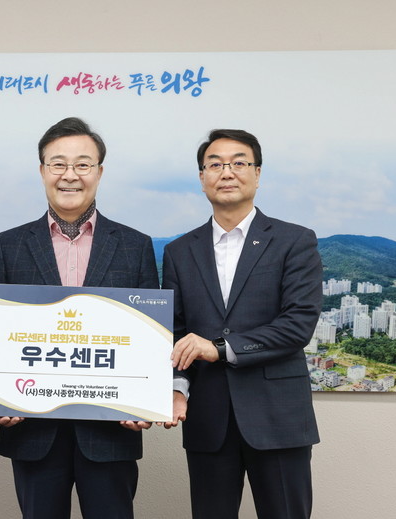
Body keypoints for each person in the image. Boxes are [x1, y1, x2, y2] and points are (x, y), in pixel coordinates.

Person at [0, 117, 159, 519]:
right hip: (32, 431)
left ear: (99, 172)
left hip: (111, 432)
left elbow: (150, 336)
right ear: (42, 170)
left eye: (82, 164)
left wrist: (143, 400)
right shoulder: (8, 245)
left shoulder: (135, 246)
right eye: (58, 164)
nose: (70, 175)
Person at [162, 129, 322, 519]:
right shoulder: (179, 251)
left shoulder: (294, 241)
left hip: (278, 417)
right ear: (202, 178)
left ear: (257, 173)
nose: (227, 172)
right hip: (207, 418)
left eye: (238, 163)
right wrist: (177, 389)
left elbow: (298, 324)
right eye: (215, 164)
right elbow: (175, 331)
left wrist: (218, 349)